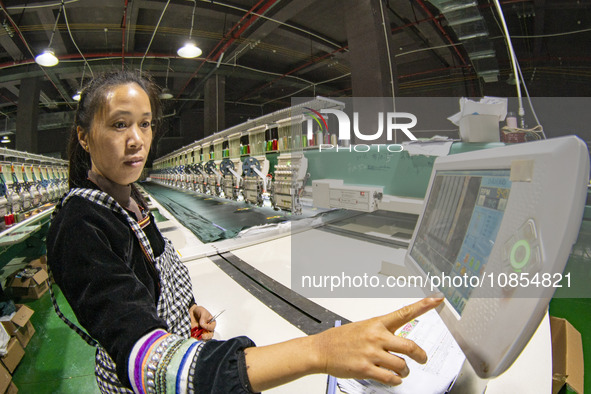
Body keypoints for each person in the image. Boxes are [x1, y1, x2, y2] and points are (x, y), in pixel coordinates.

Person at [46, 70, 443, 393]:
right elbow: (147, 362)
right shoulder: (81, 224)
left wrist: (185, 311)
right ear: (84, 136)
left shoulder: (130, 202)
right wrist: (319, 350)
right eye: (119, 125)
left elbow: (147, 279)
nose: (137, 140)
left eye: (145, 124)